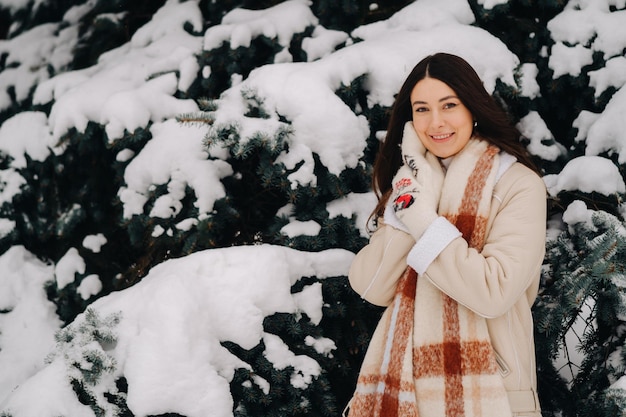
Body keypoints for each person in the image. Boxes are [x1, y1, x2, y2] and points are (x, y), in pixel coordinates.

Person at [346, 53, 546, 417]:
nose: (435, 122)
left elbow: (492, 292)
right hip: (405, 396)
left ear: (473, 108)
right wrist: (421, 190)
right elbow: (371, 284)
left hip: (493, 396)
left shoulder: (518, 185)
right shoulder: (413, 187)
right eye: (421, 109)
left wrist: (422, 217)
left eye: (449, 105)